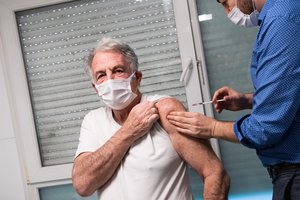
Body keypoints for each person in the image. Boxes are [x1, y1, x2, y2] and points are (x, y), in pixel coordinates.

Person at [167, 0, 300, 199]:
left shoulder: (282, 21)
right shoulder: (285, 12)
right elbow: (290, 92)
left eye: (225, 2)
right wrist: (248, 100)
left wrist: (211, 128)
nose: (228, 12)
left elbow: (265, 129)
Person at [72, 37, 230, 200]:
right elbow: (83, 185)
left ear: (137, 77)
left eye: (118, 70)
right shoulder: (93, 121)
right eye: (101, 75)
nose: (110, 80)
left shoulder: (164, 109)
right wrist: (129, 130)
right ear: (95, 88)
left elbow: (215, 173)